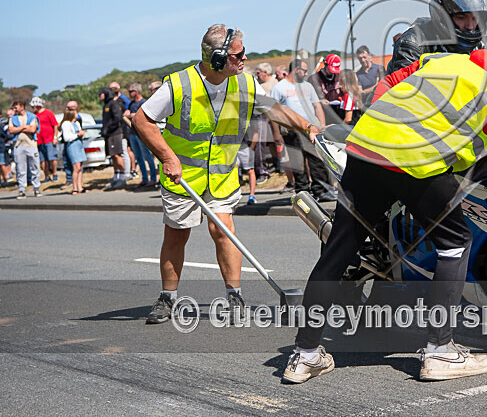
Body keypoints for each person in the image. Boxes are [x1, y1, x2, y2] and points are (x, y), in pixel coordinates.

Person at [283, 27, 487, 384]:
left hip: (365, 147)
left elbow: (393, 78)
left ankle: (305, 354)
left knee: (338, 251)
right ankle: (440, 351)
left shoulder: (447, 61)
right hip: (417, 160)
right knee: (455, 243)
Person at [132, 24, 321, 324]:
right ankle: (168, 298)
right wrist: (167, 156)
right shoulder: (179, 85)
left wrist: (306, 126)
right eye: (239, 55)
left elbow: (274, 110)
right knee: (177, 235)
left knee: (224, 232)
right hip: (183, 178)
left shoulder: (245, 84)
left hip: (222, 176)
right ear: (218, 60)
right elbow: (141, 119)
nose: (245, 59)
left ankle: (235, 296)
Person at [386, 0, 487, 75]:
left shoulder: (486, 46)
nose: (470, 26)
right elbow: (406, 91)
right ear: (442, 16)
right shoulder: (413, 44)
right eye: (461, 17)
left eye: (475, 18)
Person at [271, 58, 335, 201]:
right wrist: (276, 132)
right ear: (297, 70)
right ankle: (303, 192)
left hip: (311, 128)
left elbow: (317, 106)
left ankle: (321, 191)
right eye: (304, 71)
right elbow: (273, 112)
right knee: (297, 161)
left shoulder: (307, 86)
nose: (306, 74)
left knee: (317, 159)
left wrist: (322, 126)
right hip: (291, 129)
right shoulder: (279, 87)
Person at [125, 84, 158, 188]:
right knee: (138, 158)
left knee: (147, 156)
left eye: (131, 91)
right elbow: (128, 113)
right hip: (133, 133)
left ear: (137, 91)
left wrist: (133, 115)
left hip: (142, 134)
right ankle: (144, 179)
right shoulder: (131, 104)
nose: (129, 93)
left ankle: (153, 179)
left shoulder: (144, 103)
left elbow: (146, 116)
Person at [8, 100, 41, 199]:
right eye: (13, 107)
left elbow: (32, 129)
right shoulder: (12, 118)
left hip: (31, 145)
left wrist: (17, 128)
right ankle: (22, 190)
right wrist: (23, 127)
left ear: (22, 106)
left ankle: (36, 188)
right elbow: (11, 130)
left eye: (16, 107)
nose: (14, 109)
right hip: (18, 145)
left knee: (35, 167)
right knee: (20, 169)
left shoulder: (32, 117)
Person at [254, 63, 281, 180]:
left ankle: (281, 164)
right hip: (264, 117)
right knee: (270, 142)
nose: (257, 75)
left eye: (258, 73)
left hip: (274, 117)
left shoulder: (273, 84)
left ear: (265, 72)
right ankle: (275, 163)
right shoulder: (259, 84)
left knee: (278, 141)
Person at [99, 87, 126, 189]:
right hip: (109, 135)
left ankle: (123, 178)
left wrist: (108, 128)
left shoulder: (113, 103)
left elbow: (117, 118)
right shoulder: (106, 105)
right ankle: (116, 177)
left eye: (101, 94)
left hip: (115, 133)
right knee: (113, 156)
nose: (99, 96)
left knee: (117, 155)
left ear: (106, 94)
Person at [309, 54, 345, 123]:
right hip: (324, 116)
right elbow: (308, 100)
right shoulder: (313, 79)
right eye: (331, 69)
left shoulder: (339, 77)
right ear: (326, 64)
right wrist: (320, 101)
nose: (333, 72)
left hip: (339, 116)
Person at [30, 97, 59, 183]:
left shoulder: (48, 113)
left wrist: (55, 137)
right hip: (39, 141)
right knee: (42, 159)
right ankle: (46, 176)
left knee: (51, 157)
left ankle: (54, 174)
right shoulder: (34, 115)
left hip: (49, 139)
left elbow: (55, 125)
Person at [59, 108, 86, 195]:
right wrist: (77, 134)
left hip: (79, 144)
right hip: (72, 145)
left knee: (80, 167)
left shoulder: (77, 123)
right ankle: (74, 188)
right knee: (76, 167)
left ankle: (79, 187)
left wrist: (82, 134)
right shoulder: (66, 124)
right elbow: (67, 137)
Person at [62, 100, 83, 185]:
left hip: (75, 144)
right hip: (68, 143)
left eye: (69, 108)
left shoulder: (78, 118)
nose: (67, 109)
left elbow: (78, 130)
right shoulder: (66, 122)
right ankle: (70, 180)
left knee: (78, 166)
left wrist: (79, 134)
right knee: (68, 163)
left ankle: (77, 185)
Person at [0, 109, 11, 187]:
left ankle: (6, 178)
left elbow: (7, 134)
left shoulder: (3, 122)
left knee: (2, 163)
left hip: (1, 146)